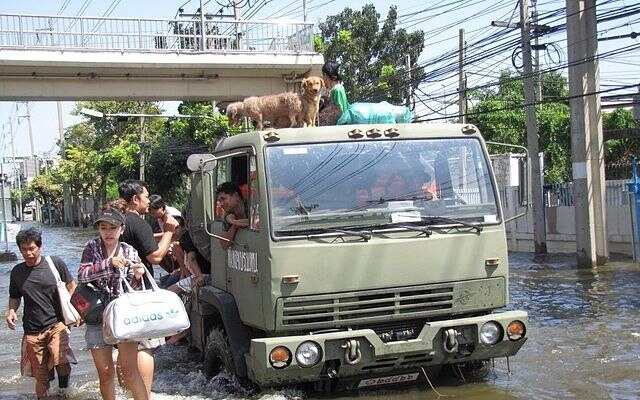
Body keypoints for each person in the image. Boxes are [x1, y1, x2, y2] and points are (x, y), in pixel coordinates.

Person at [77, 207, 149, 400]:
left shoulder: (129, 251)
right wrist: (108, 265)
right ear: (98, 229)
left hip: (124, 317)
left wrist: (137, 274)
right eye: (103, 227)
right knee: (106, 372)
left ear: (122, 229)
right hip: (96, 315)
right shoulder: (91, 248)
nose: (108, 232)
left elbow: (136, 290)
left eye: (113, 227)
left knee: (129, 371)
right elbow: (82, 275)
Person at [117, 179, 178, 398]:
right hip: (138, 291)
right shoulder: (137, 223)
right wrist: (169, 231)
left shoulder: (116, 221)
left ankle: (126, 393)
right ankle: (143, 395)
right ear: (135, 199)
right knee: (144, 345)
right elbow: (155, 257)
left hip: (118, 292)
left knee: (125, 345)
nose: (148, 201)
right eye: (145, 196)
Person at [7, 227, 76, 399]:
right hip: (32, 330)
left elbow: (71, 287)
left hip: (57, 323)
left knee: (61, 358)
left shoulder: (55, 264)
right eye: (24, 249)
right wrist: (11, 311)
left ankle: (63, 390)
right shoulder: (17, 272)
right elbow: (14, 296)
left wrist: (78, 312)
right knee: (41, 376)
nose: (28, 253)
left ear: (40, 247)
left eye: (32, 248)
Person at [165, 227, 211, 345]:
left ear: (182, 227)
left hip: (202, 275)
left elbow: (192, 258)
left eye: (175, 228)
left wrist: (199, 276)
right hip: (201, 273)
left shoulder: (186, 238)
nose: (173, 232)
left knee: (169, 292)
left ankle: (180, 331)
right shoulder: (191, 237)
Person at [215, 182, 249, 251]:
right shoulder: (227, 215)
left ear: (236, 196)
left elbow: (254, 223)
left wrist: (233, 221)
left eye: (223, 199)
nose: (221, 204)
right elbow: (224, 245)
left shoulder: (252, 206)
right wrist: (234, 226)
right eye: (219, 201)